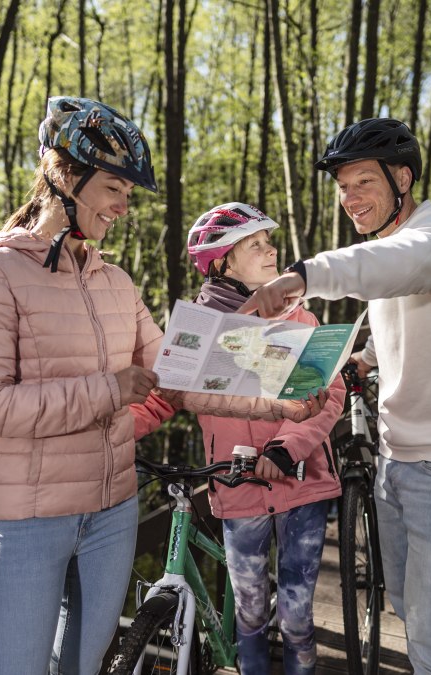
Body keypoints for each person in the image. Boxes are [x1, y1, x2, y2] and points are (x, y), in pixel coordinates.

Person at [0, 97, 325, 675]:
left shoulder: (115, 282)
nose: (123, 208)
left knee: (85, 667)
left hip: (113, 512)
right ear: (63, 175)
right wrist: (110, 388)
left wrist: (281, 403)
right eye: (113, 189)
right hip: (29, 519)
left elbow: (182, 374)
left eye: (128, 193)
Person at [238, 118, 431, 675]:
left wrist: (300, 278)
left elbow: (396, 266)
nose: (350, 198)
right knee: (410, 611)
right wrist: (364, 360)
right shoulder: (393, 248)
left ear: (402, 179)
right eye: (343, 187)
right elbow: (399, 309)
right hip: (399, 458)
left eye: (363, 182)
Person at [135, 203, 345, 674]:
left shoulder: (301, 319)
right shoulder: (196, 330)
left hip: (302, 481)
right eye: (255, 245)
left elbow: (330, 395)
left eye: (270, 242)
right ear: (223, 264)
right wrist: (111, 433)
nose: (271, 251)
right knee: (249, 614)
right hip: (237, 485)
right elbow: (164, 397)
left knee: (295, 618)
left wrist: (286, 447)